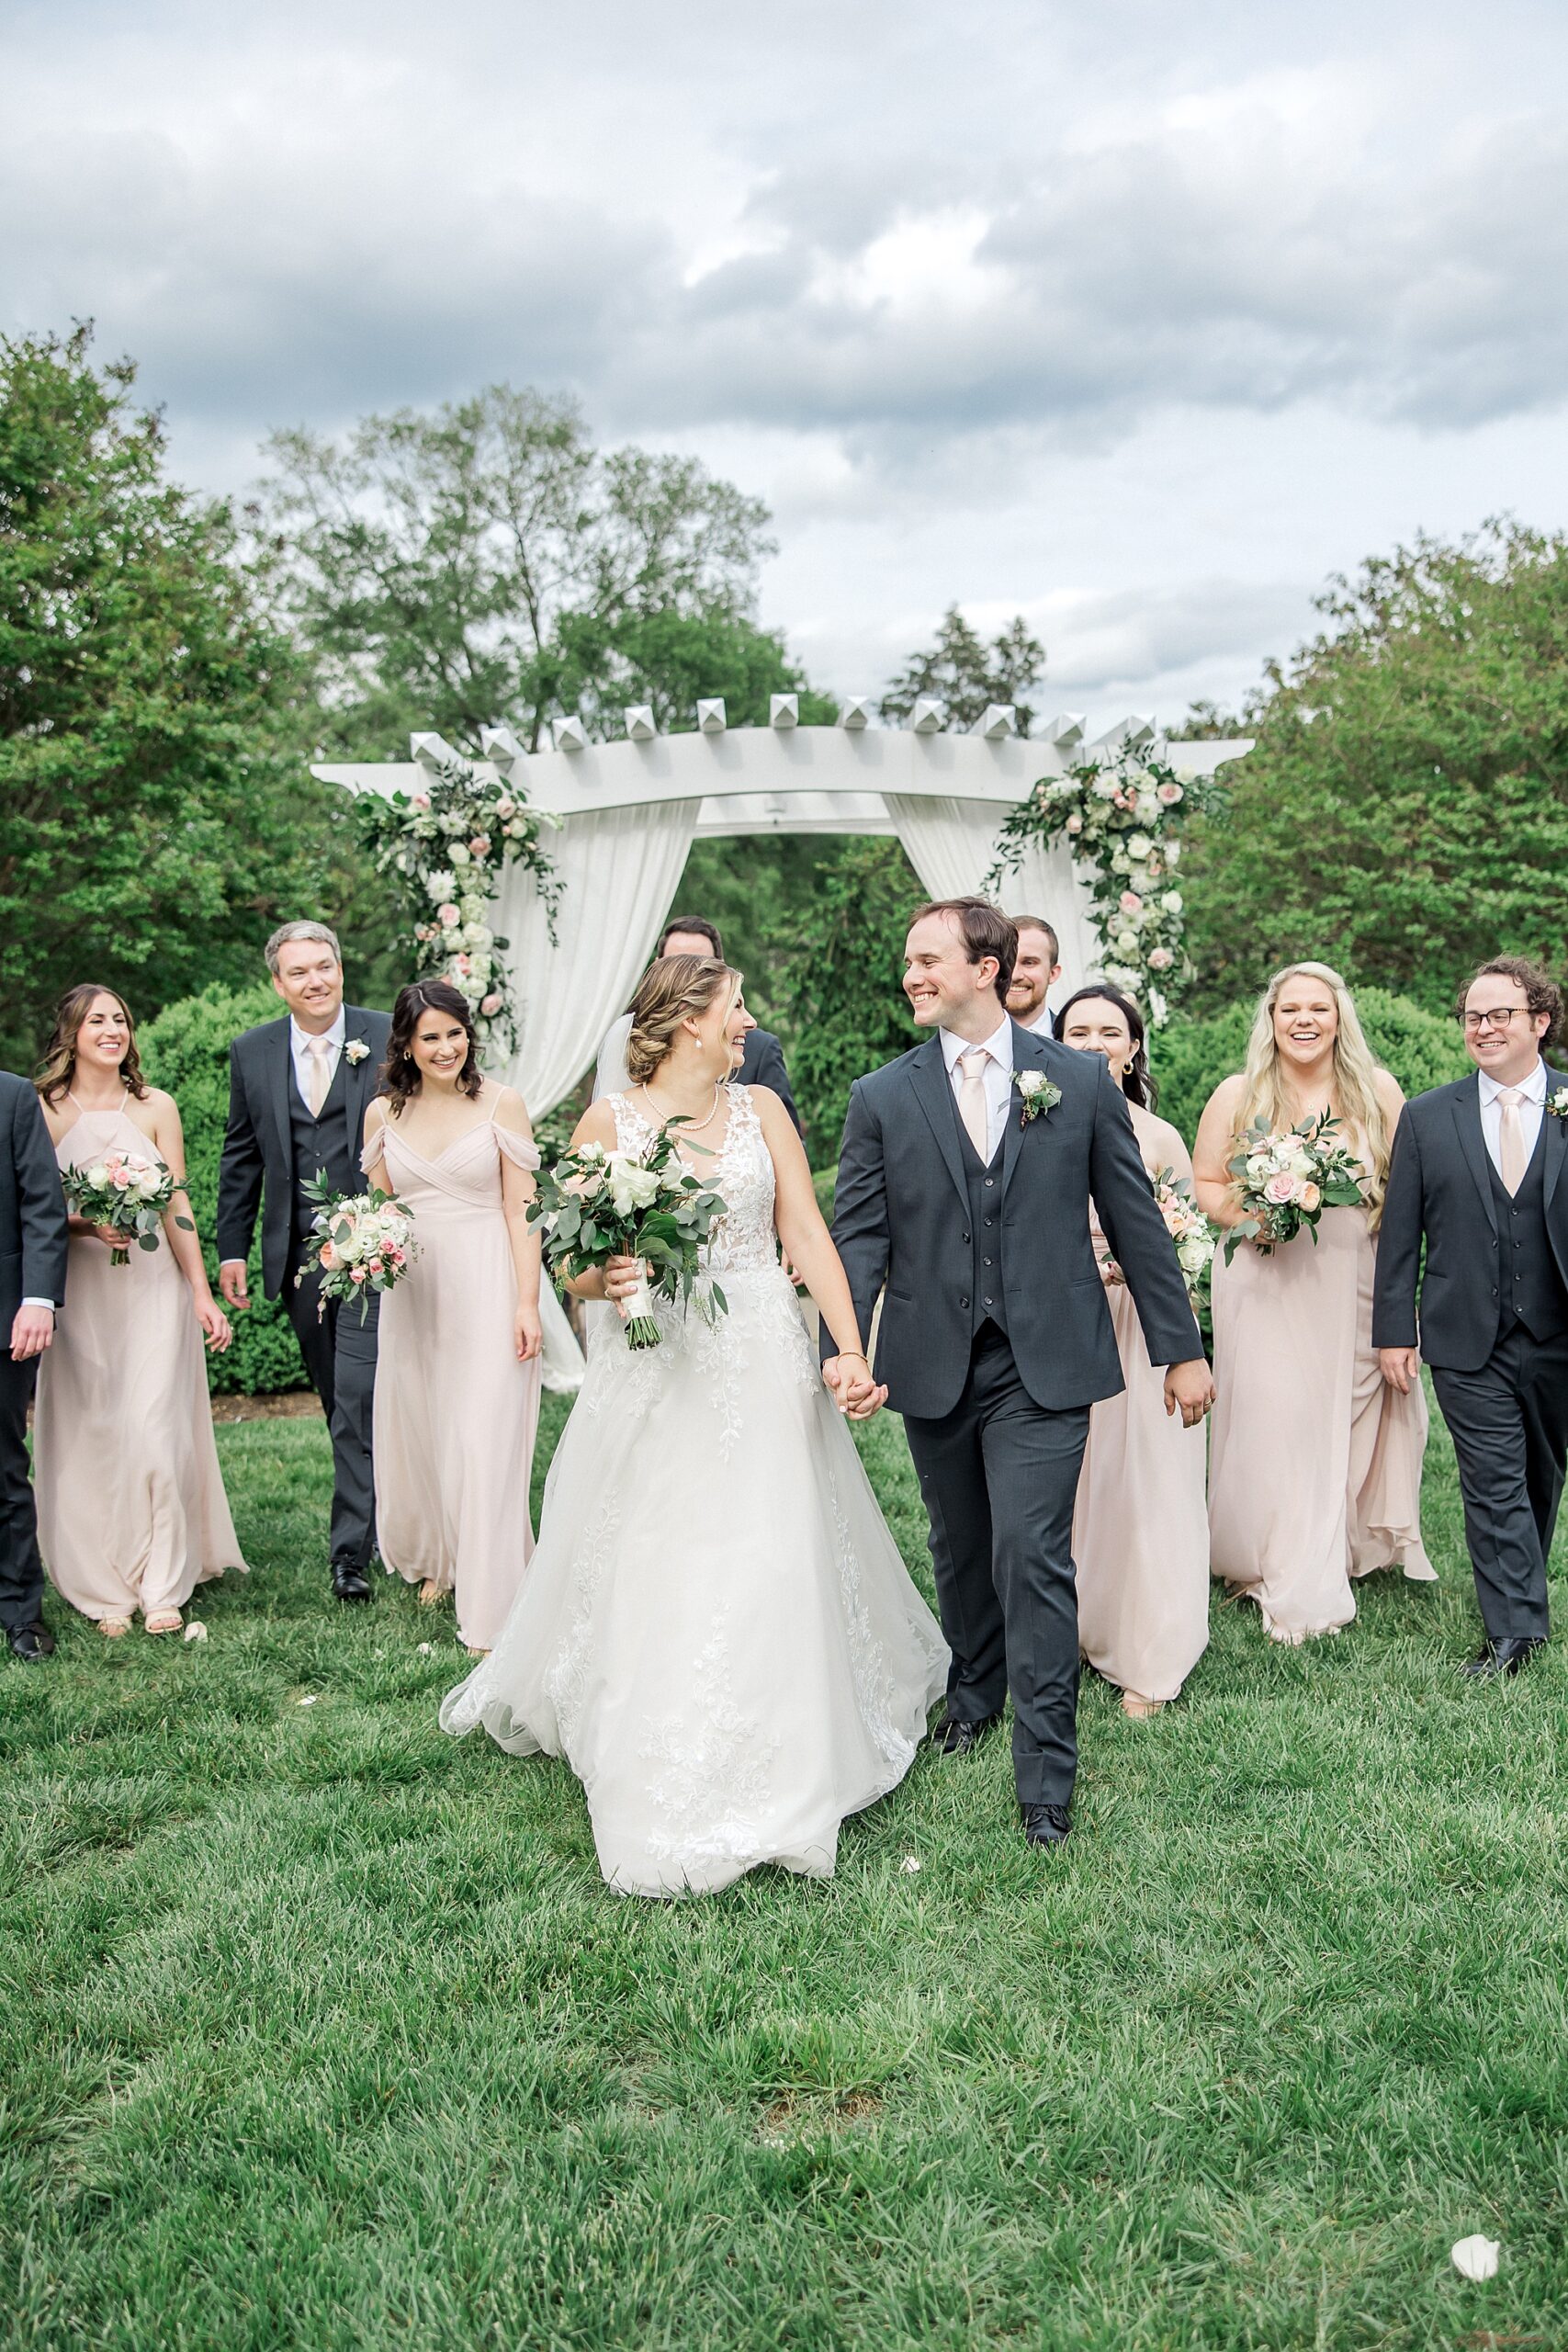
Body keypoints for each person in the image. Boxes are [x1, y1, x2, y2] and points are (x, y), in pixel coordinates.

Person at [442, 954, 947, 1897]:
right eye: (737, 1007)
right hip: (658, 1359)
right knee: (665, 1543)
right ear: (688, 1024)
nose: (748, 1021)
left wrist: (849, 1347)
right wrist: (613, 1277)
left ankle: (790, 1735)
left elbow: (807, 1233)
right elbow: (577, 1264)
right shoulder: (611, 1121)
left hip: (759, 1345)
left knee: (772, 1540)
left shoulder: (765, 1112)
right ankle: (661, 1734)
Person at [829, 899, 1213, 1849]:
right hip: (931, 1358)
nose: (911, 974)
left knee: (1030, 1553)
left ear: (986, 966)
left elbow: (1136, 1222)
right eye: (909, 960)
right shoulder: (882, 1096)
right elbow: (861, 1235)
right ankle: (973, 1691)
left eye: (927, 959)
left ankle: (1046, 1779)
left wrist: (1183, 1346)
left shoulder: (1076, 1083)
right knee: (960, 1544)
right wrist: (843, 1347)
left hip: (1046, 1361)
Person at [1195, 962, 1432, 1645]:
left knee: (1346, 1409)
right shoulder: (1238, 1094)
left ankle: (1341, 1540)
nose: (1303, 1020)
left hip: (1352, 1280)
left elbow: (1405, 1190)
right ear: (1269, 1021)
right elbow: (1207, 1181)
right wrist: (1255, 1212)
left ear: (1338, 1020)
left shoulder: (1376, 1091)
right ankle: (1271, 1555)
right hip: (1263, 1279)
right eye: (1289, 1009)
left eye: (1317, 1009)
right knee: (1275, 1412)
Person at [1374, 956, 1568, 1679]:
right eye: (1473, 1017)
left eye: (1500, 1015)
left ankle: (1521, 1588)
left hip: (1556, 1331)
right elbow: (1399, 1235)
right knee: (1490, 1479)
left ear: (1538, 1023)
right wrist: (1394, 1330)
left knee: (1540, 1474)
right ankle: (1513, 1631)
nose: (1483, 1028)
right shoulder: (1427, 1117)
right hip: (1463, 1334)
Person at [34, 987, 244, 1636]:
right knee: (94, 1432)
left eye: (119, 1019)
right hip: (84, 1294)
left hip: (154, 1290)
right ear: (70, 1032)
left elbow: (175, 1204)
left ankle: (161, 1583)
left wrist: (201, 1292)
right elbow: (36, 1210)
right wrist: (88, 1225)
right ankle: (102, 1588)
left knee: (155, 1432)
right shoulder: (42, 1109)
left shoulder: (156, 1107)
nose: (111, 1030)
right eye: (96, 1020)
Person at [364, 981, 544, 1655]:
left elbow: (522, 1210)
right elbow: (379, 1210)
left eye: (454, 1032)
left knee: (484, 1436)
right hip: (414, 1295)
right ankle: (444, 1556)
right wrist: (357, 1247)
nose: (445, 1047)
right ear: (406, 1045)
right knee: (428, 1428)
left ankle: (493, 1599)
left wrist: (526, 1303)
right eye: (430, 1036)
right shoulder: (384, 1114)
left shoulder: (502, 1104)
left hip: (488, 1284)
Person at [216, 922, 391, 1603]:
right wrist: (232, 1247)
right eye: (299, 972)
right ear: (278, 983)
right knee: (336, 1397)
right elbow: (241, 1155)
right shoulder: (251, 1051)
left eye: (325, 967)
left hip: (383, 1250)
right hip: (301, 1258)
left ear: (341, 969)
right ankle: (379, 1512)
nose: (315, 980)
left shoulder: (388, 1032)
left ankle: (352, 1554)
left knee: (358, 1396)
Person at [1054, 984, 1210, 1716]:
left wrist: (1152, 1262)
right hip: (1063, 1318)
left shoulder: (1159, 1136)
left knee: (1144, 1480)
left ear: (1132, 1047)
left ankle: (1150, 1651)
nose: (1092, 1042)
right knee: (1078, 1483)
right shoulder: (1035, 1123)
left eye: (1108, 1031)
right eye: (1075, 1029)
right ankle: (1078, 1627)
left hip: (1138, 1321)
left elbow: (1189, 1240)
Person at [593, 914, 802, 1133]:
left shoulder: (759, 1071)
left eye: (700, 965)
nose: (688, 974)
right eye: (676, 963)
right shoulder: (615, 1104)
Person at [0, 1069, 69, 1664]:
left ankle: (22, 1612)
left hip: (5, 1318)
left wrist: (37, 1299)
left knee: (3, 1470)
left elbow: (43, 1203)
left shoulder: (13, 1096)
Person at [1005, 916, 1063, 1033]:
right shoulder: (964, 1039)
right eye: (1007, 961)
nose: (1015, 975)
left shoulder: (1073, 1042)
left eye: (1029, 963)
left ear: (1052, 973)